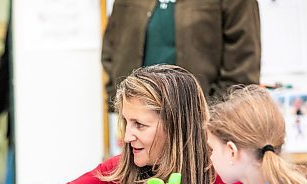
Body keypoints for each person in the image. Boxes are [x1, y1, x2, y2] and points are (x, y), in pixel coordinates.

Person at [6, 65, 238, 184]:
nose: (127, 136)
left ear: (177, 127)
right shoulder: (124, 169)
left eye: (140, 125)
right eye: (126, 122)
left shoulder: (226, 177)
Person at [101, 0, 261, 112]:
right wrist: (120, 102)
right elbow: (112, 47)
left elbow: (243, 65)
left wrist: (211, 113)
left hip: (203, 123)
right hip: (139, 118)